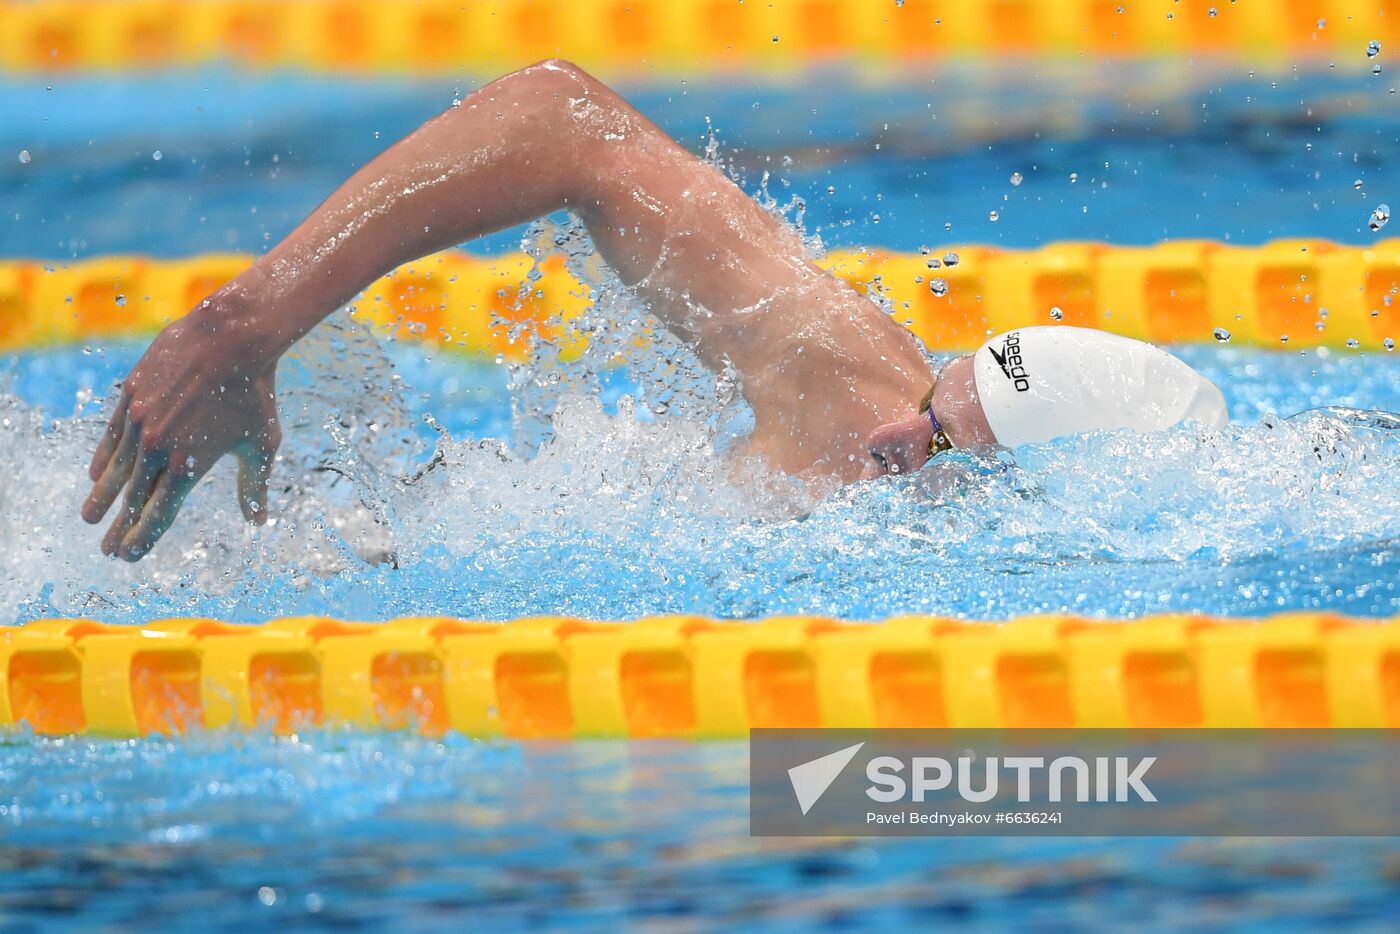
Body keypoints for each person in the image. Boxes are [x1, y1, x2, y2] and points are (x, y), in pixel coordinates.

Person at [82, 59, 1227, 562]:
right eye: (929, 401)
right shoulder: (855, 394)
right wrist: (244, 323)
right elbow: (557, 119)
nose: (890, 433)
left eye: (938, 450)